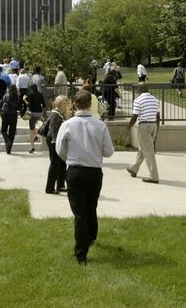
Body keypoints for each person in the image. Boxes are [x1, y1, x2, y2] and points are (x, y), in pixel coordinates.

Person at [56, 90, 115, 266]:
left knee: (80, 213)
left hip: (75, 171)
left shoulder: (67, 124)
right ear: (90, 104)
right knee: (91, 206)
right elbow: (109, 152)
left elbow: (60, 149)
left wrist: (71, 159)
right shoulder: (100, 125)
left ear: (75, 105)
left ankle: (82, 252)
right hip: (94, 171)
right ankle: (90, 237)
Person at [125, 83, 161, 184]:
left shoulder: (138, 100)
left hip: (144, 126)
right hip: (153, 125)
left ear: (140, 90)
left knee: (149, 152)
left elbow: (134, 117)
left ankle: (154, 176)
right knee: (143, 148)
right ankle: (134, 169)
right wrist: (157, 130)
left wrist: (128, 128)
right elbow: (158, 116)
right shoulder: (155, 99)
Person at [45, 96, 69, 194]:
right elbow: (53, 130)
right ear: (58, 104)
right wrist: (55, 143)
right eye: (63, 104)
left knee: (62, 163)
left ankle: (60, 185)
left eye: (66, 104)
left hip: (58, 141)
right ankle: (49, 188)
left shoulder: (60, 114)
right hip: (53, 141)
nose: (65, 106)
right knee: (55, 164)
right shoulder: (55, 114)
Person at [0, 85, 22, 154]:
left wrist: (0, 110)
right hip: (14, 115)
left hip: (5, 115)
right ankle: (9, 150)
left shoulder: (6, 96)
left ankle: (7, 140)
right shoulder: (17, 97)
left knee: (3, 130)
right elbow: (19, 107)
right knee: (12, 133)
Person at [24, 84, 46, 154]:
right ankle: (36, 136)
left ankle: (32, 147)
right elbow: (44, 104)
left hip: (32, 113)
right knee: (35, 127)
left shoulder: (30, 94)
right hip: (39, 113)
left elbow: (29, 104)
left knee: (31, 130)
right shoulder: (40, 94)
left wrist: (24, 99)